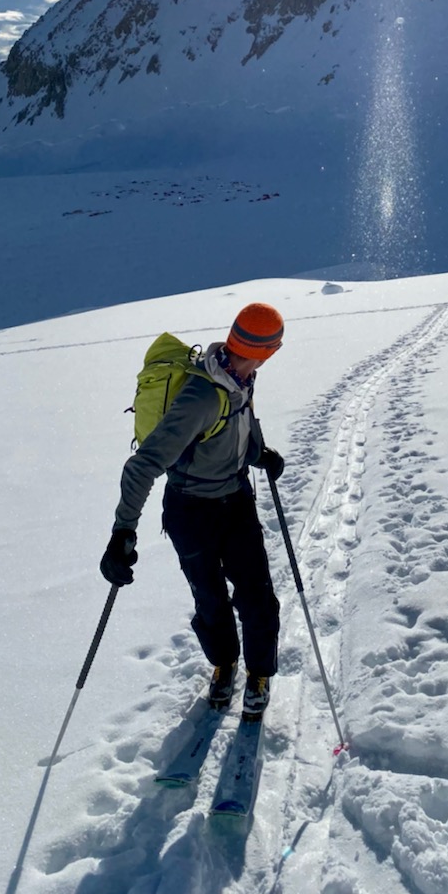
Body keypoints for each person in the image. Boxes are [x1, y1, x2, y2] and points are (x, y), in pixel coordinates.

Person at [100, 302, 286, 719]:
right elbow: (143, 464)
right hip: (191, 511)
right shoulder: (202, 394)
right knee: (210, 597)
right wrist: (122, 532)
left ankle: (259, 673)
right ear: (267, 349)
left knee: (257, 596)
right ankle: (225, 664)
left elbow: (237, 426)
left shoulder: (242, 375)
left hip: (235, 501)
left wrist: (259, 454)